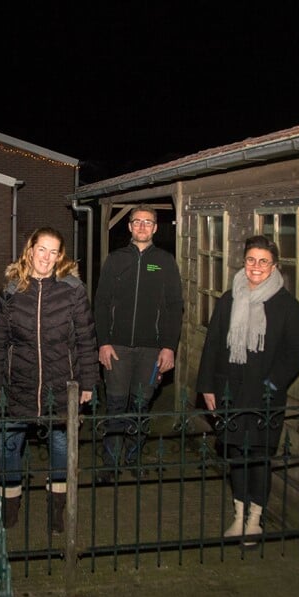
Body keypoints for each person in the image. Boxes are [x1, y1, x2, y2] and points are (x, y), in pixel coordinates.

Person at [0, 227, 99, 533]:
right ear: (30, 250)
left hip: (61, 385)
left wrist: (88, 384)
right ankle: (10, 504)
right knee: (9, 448)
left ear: (60, 256)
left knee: (61, 448)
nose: (46, 258)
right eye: (41, 249)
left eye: (54, 251)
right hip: (17, 383)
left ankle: (57, 508)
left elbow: (87, 340)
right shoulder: (11, 290)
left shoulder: (73, 290)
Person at [196, 235, 299, 544]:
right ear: (244, 262)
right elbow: (213, 344)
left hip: (264, 396)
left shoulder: (287, 306)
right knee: (235, 454)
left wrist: (272, 384)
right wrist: (207, 387)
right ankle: (238, 515)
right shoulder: (229, 299)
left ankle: (255, 519)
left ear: (274, 267)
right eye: (250, 260)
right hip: (229, 390)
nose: (255, 267)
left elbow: (295, 352)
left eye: (263, 261)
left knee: (258, 456)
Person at [93, 205, 183, 479]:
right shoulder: (115, 260)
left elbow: (174, 306)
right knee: (116, 406)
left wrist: (169, 347)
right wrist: (103, 342)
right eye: (137, 222)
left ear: (155, 228)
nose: (142, 226)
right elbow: (101, 303)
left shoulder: (165, 262)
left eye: (148, 222)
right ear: (130, 226)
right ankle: (110, 464)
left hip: (151, 350)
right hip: (117, 348)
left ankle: (134, 461)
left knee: (141, 407)